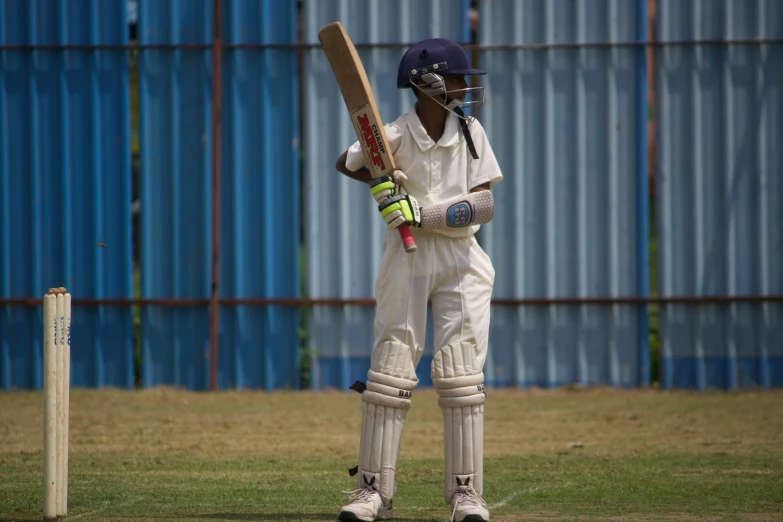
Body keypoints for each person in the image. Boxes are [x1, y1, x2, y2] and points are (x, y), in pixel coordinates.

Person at [334, 37, 502, 522]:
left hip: (461, 258)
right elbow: (346, 163)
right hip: (407, 260)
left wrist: (420, 211)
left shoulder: (472, 131)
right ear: (426, 84)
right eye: (456, 78)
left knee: (461, 375)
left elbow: (485, 204)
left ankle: (466, 496)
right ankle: (372, 493)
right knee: (390, 370)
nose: (465, 86)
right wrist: (382, 185)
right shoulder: (393, 135)